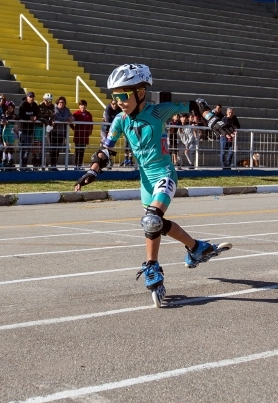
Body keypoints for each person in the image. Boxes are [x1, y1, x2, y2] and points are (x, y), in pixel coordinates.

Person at [74, 64, 237, 307]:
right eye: (114, 97)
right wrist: (92, 170)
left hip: (164, 173)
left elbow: (195, 104)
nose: (117, 102)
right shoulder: (120, 120)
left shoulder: (159, 111)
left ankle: (152, 267)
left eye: (122, 95)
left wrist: (212, 119)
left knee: (152, 220)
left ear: (140, 93)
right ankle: (196, 248)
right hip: (146, 180)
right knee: (155, 225)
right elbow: (106, 149)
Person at [50, 96, 73, 169]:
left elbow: (72, 117)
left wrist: (71, 119)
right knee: (53, 149)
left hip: (62, 133)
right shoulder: (54, 108)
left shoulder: (67, 110)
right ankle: (52, 164)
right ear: (57, 102)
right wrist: (67, 119)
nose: (61, 104)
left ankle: (54, 165)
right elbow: (57, 118)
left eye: (63, 102)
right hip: (54, 132)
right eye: (60, 102)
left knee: (58, 150)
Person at [17, 91, 39, 169]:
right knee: (23, 147)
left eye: (33, 97)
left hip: (30, 129)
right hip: (23, 129)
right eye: (30, 97)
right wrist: (29, 118)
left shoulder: (35, 105)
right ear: (27, 97)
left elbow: (37, 113)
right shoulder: (22, 105)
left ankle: (24, 164)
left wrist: (35, 117)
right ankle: (21, 165)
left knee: (28, 147)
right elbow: (20, 115)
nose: (32, 98)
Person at [71, 99, 93, 169]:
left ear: (86, 106)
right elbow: (71, 122)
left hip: (85, 135)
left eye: (84, 105)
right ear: (79, 106)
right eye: (81, 105)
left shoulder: (89, 114)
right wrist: (74, 129)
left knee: (82, 150)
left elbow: (91, 124)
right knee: (77, 150)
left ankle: (80, 165)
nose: (83, 106)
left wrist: (90, 131)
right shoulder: (76, 114)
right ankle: (75, 165)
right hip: (78, 135)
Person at [36, 93, 56, 169]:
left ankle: (44, 162)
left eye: (50, 100)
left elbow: (53, 115)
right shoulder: (40, 106)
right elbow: (40, 117)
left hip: (48, 129)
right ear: (43, 99)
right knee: (38, 145)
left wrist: (52, 121)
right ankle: (38, 162)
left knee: (46, 146)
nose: (48, 102)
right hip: (39, 127)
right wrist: (48, 121)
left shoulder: (52, 106)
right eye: (47, 100)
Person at [1, 101, 18, 168]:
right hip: (5, 132)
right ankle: (4, 159)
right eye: (9, 108)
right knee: (6, 147)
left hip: (11, 133)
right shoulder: (4, 115)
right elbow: (3, 119)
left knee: (11, 147)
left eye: (11, 108)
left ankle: (10, 160)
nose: (10, 109)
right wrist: (7, 118)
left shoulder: (14, 115)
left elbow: (18, 117)